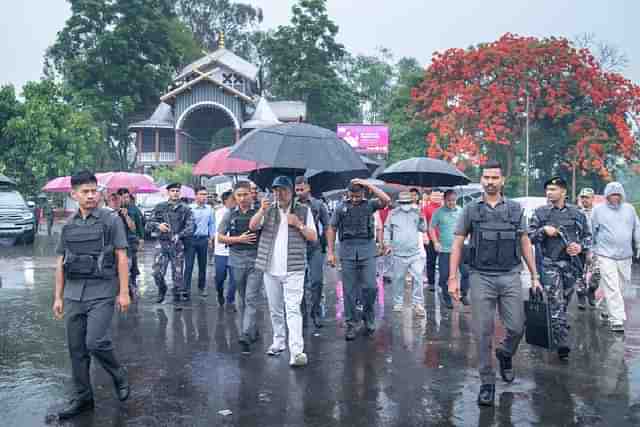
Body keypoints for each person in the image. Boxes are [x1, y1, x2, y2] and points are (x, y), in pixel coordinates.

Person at [448, 160, 540, 407]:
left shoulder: (515, 209)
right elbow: (457, 243)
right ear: (481, 179)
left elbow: (524, 243)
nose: (490, 182)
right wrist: (453, 277)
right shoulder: (470, 209)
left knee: (517, 327)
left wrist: (535, 275)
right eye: (486, 177)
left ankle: (505, 353)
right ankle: (487, 383)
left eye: (494, 178)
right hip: (480, 277)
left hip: (510, 275)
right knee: (482, 332)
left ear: (502, 180)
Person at [52, 171, 130, 419]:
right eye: (84, 192)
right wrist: (58, 296)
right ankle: (83, 399)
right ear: (73, 195)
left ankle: (118, 374)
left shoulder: (110, 220)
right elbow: (60, 262)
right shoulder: (69, 226)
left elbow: (121, 256)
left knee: (95, 342)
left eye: (93, 191)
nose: (90, 195)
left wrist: (124, 292)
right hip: (74, 293)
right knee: (77, 349)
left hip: (102, 290)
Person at [249, 176, 317, 367]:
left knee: (293, 309)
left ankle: (297, 351)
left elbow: (313, 237)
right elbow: (252, 227)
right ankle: (279, 342)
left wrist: (298, 224)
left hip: (294, 268)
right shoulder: (268, 209)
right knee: (275, 309)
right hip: (270, 267)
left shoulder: (303, 210)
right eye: (276, 190)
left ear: (292, 192)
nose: (279, 194)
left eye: (284, 190)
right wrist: (262, 210)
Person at [529, 177, 591, 360]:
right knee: (555, 301)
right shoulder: (540, 213)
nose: (549, 192)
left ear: (563, 192)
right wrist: (543, 231)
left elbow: (588, 237)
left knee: (563, 300)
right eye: (548, 189)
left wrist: (580, 246)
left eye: (553, 189)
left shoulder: (576, 213)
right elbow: (529, 237)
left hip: (571, 265)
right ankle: (561, 341)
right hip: (550, 263)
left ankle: (556, 326)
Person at [327, 179, 390, 341]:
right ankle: (351, 323)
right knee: (349, 291)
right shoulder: (341, 208)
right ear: (348, 194)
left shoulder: (369, 205)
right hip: (347, 250)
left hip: (367, 249)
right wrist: (331, 252)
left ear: (363, 193)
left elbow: (386, 200)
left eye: (358, 196)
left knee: (370, 287)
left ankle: (368, 316)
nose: (355, 199)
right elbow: (332, 228)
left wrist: (367, 184)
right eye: (352, 196)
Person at [218, 181, 261, 353]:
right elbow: (220, 237)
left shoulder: (259, 212)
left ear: (252, 194)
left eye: (245, 194)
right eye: (239, 195)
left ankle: (244, 334)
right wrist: (238, 239)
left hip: (256, 260)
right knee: (242, 297)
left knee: (250, 297)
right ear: (234, 197)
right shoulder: (230, 214)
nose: (242, 198)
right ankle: (252, 329)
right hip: (236, 260)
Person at [591, 181, 640, 333]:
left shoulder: (629, 209)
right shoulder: (598, 210)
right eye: (612, 194)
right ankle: (617, 319)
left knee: (620, 286)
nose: (615, 197)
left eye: (618, 194)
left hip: (625, 255)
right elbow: (592, 230)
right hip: (605, 254)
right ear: (607, 195)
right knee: (612, 285)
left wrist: (639, 245)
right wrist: (591, 250)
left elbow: (637, 228)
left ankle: (606, 306)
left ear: (622, 195)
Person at [145, 183, 194, 303]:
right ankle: (162, 289)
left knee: (177, 275)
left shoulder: (185, 209)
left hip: (177, 245)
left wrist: (179, 235)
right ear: (168, 193)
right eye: (173, 191)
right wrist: (158, 225)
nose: (175, 193)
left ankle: (176, 296)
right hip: (161, 244)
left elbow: (191, 227)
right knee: (157, 272)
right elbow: (147, 225)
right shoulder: (160, 207)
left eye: (177, 190)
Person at [295, 177, 330, 329]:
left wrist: (330, 250)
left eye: (302, 189)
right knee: (299, 284)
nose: (299, 192)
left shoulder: (318, 204)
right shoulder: (291, 205)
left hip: (315, 247)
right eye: (297, 190)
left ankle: (315, 312)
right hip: (296, 247)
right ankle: (301, 314)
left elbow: (328, 226)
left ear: (308, 188)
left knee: (316, 281)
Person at [384, 191, 427, 317]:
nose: (406, 205)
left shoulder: (416, 212)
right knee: (398, 279)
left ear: (411, 202)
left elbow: (423, 229)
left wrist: (422, 218)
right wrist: (387, 244)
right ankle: (398, 302)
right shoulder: (393, 214)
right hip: (398, 253)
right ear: (399, 203)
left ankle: (418, 303)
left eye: (408, 203)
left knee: (418, 278)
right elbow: (387, 229)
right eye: (403, 203)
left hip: (414, 252)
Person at [431, 189, 470, 308]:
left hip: (461, 247)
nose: (451, 202)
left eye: (453, 200)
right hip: (445, 250)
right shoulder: (438, 212)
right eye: (449, 200)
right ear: (444, 200)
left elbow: (468, 225)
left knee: (466, 272)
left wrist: (468, 236)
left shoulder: (461, 211)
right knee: (444, 275)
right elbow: (431, 228)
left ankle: (463, 294)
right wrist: (435, 242)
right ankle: (446, 296)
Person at [183, 186, 215, 300]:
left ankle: (201, 288)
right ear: (196, 195)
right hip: (190, 240)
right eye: (201, 194)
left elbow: (211, 224)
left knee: (203, 265)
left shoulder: (210, 209)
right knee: (189, 265)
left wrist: (211, 238)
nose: (204, 197)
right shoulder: (189, 208)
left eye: (205, 194)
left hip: (203, 240)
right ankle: (185, 289)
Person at [116, 188, 144, 298]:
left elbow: (135, 227)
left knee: (131, 266)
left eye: (126, 197)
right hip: (116, 243)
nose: (124, 199)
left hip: (130, 243)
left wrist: (126, 215)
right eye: (122, 197)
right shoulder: (113, 210)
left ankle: (131, 288)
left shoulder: (134, 209)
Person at [578, 187, 600, 307]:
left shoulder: (598, 212)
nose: (584, 200)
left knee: (597, 273)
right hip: (580, 248)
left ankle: (591, 291)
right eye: (582, 197)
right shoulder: (577, 212)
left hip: (596, 248)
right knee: (579, 274)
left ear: (593, 198)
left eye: (586, 197)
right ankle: (581, 296)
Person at [214, 190, 236, 306]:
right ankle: (219, 292)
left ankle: (230, 300)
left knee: (234, 279)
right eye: (233, 199)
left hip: (234, 251)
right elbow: (217, 231)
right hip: (220, 251)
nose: (235, 201)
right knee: (220, 277)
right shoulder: (218, 213)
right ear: (225, 201)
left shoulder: (238, 212)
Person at [421, 188, 441, 290]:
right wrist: (424, 235)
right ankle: (431, 283)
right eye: (434, 196)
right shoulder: (425, 208)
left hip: (444, 240)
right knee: (430, 261)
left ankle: (443, 283)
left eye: (438, 196)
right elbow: (423, 224)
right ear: (431, 196)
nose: (436, 197)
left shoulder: (445, 208)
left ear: (441, 196)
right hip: (430, 239)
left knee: (444, 263)